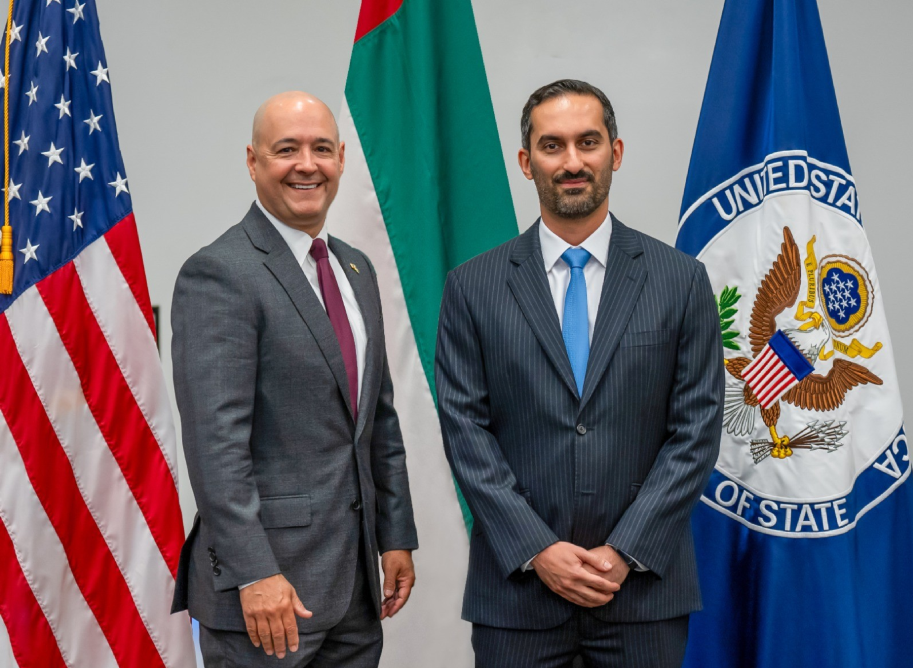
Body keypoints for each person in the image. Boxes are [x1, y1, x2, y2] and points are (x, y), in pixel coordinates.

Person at [435, 79, 724, 668]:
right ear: (526, 161)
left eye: (588, 142)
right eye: (552, 145)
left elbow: (696, 430)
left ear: (615, 153)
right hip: (517, 597)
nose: (572, 162)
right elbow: (465, 430)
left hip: (641, 594)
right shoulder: (473, 286)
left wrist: (625, 550)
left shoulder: (681, 280)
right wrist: (538, 548)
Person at [171, 91, 418, 667]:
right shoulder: (220, 273)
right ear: (253, 161)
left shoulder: (355, 269)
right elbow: (215, 446)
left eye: (321, 149)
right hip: (267, 598)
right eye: (287, 149)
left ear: (341, 159)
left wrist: (395, 535)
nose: (307, 164)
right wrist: (255, 571)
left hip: (354, 590)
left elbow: (377, 420)